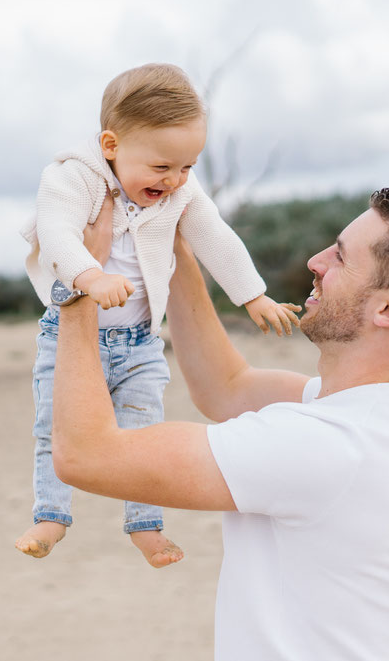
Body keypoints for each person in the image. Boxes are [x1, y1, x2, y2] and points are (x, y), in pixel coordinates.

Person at [50, 186, 389, 660]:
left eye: (341, 259)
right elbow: (227, 386)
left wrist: (79, 283)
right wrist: (175, 249)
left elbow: (84, 455)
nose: (315, 261)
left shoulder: (325, 445)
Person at [15, 63, 299, 567]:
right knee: (52, 427)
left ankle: (145, 525)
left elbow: (215, 236)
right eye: (162, 166)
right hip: (68, 335)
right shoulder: (71, 177)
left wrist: (252, 296)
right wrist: (90, 276)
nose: (175, 181)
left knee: (144, 431)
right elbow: (57, 232)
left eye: (188, 167)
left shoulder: (181, 191)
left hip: (140, 342)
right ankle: (51, 516)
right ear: (111, 145)